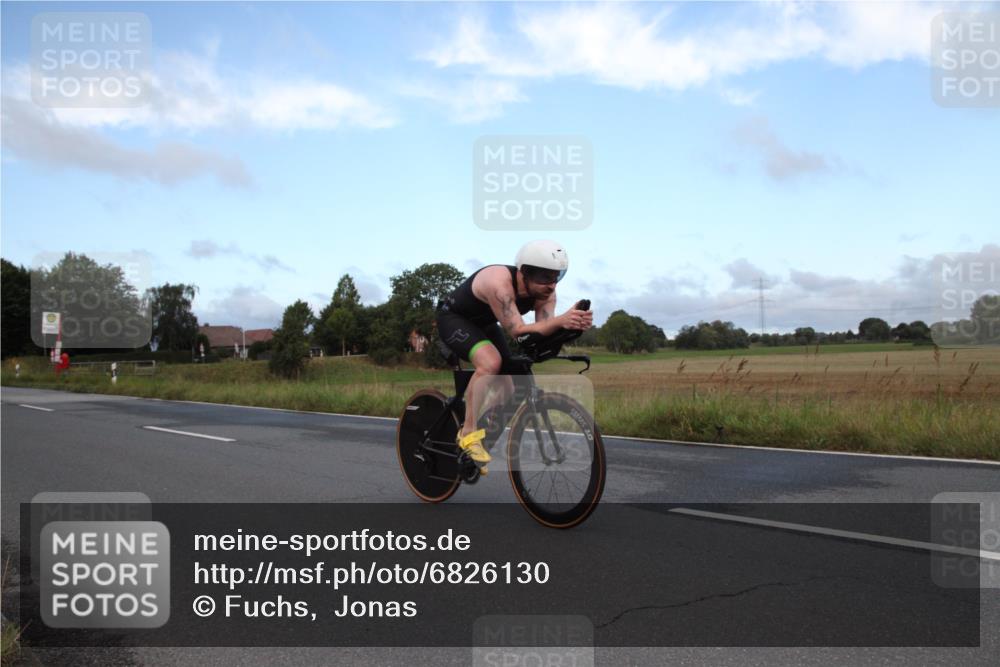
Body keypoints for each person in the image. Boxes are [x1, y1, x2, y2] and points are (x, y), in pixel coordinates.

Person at [435, 240, 593, 473]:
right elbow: (518, 331)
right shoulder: (499, 284)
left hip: (486, 324)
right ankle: (467, 434)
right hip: (454, 319)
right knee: (491, 363)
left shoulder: (545, 292)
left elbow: (542, 332)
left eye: (556, 277)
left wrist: (570, 327)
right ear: (524, 272)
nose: (551, 285)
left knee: (508, 388)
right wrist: (561, 320)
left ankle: (483, 430)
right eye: (544, 277)